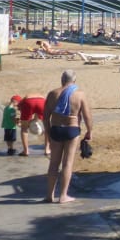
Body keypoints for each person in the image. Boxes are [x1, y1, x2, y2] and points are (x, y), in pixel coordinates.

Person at [44, 70, 92, 203]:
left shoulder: (53, 94)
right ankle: (63, 196)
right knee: (67, 163)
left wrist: (48, 132)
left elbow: (46, 117)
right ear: (74, 81)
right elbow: (87, 116)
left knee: (54, 163)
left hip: (56, 129)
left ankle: (49, 195)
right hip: (72, 129)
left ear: (62, 79)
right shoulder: (79, 94)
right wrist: (89, 131)